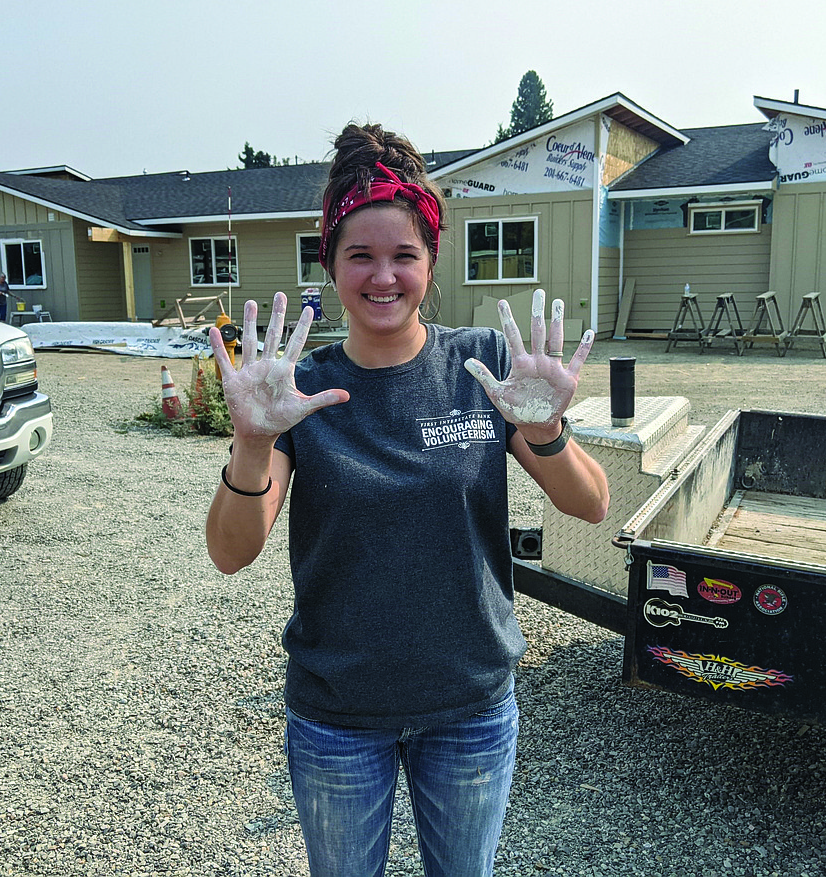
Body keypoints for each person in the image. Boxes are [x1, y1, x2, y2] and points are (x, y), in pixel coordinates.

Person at [206, 122, 609, 877]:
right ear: (330, 262)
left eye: (404, 256)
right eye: (360, 255)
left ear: (430, 262)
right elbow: (231, 551)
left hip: (470, 707)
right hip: (336, 716)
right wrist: (254, 441)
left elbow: (589, 504)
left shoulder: (484, 369)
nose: (383, 276)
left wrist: (547, 426)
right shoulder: (297, 393)